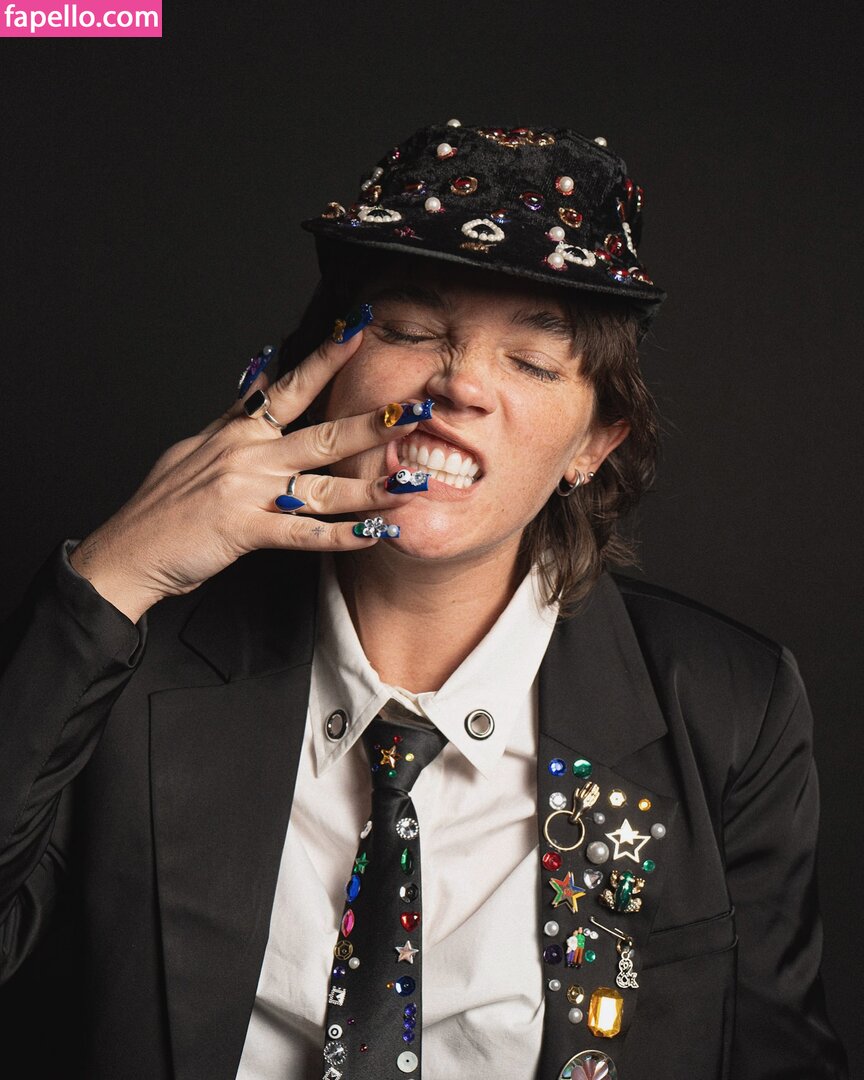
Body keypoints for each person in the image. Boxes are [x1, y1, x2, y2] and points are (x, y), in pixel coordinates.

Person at [0, 121, 847, 1080]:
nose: (460, 384)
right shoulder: (137, 655)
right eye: (409, 331)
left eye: (532, 361)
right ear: (322, 372)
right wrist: (115, 572)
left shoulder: (730, 710)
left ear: (594, 446)